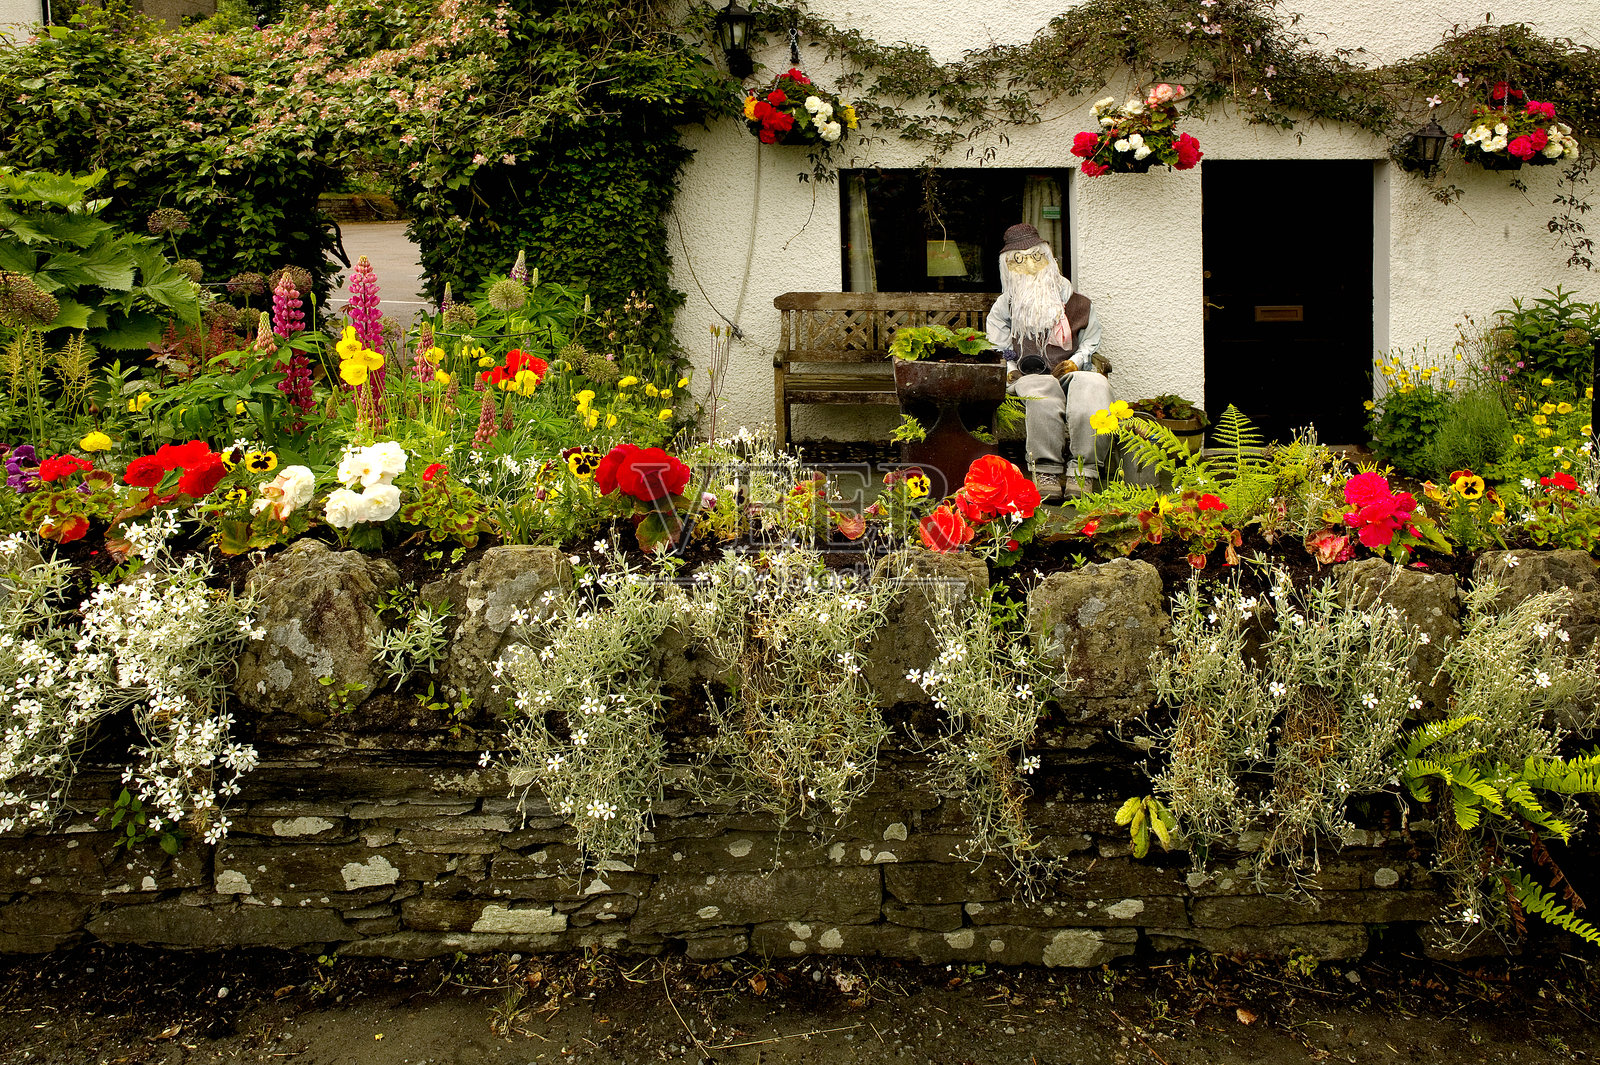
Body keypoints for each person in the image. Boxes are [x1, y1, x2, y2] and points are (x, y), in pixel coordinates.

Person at [985, 223, 1112, 502]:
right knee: (1043, 393)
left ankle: (1084, 471)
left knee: (1094, 386)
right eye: (1019, 261)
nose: (1030, 266)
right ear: (1008, 268)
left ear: (1048, 259)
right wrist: (1011, 367)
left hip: (1071, 371)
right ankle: (1047, 470)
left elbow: (1091, 341)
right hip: (1028, 375)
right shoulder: (1004, 307)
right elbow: (1000, 346)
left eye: (1035, 258)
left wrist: (1077, 362)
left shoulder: (1078, 303)